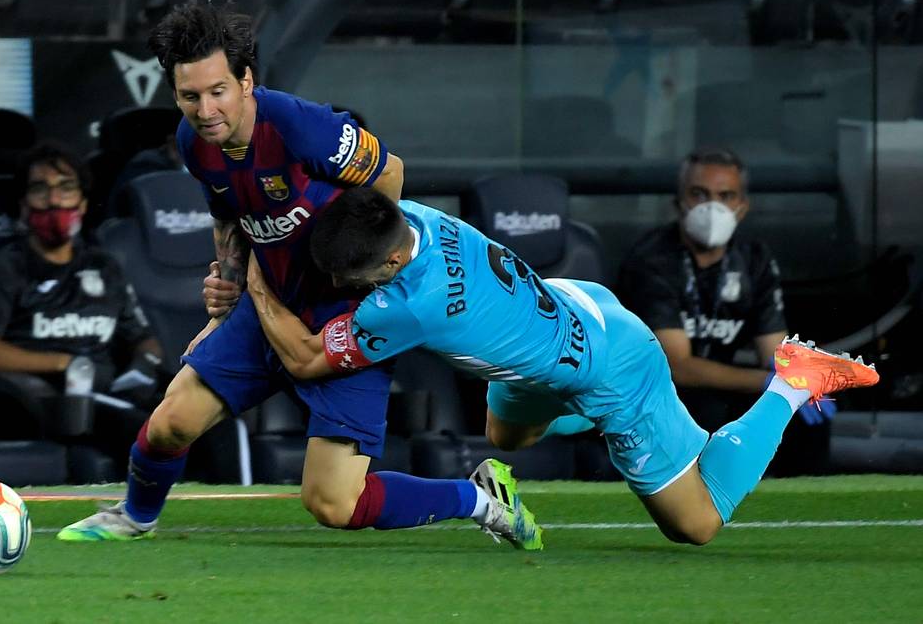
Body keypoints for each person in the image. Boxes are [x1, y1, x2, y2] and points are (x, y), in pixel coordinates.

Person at [58, 0, 542, 550]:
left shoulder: (298, 128)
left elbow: (390, 173)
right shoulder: (196, 144)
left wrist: (363, 271)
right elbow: (229, 211)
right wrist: (230, 279)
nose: (205, 108)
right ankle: (135, 517)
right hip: (267, 304)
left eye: (218, 91)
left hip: (343, 316)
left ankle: (479, 498)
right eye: (190, 96)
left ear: (245, 80)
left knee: (334, 504)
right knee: (170, 423)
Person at [243, 187, 879, 545]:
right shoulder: (410, 217)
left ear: (385, 268)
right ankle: (580, 423)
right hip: (558, 317)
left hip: (611, 365)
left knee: (696, 524)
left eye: (347, 276)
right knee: (506, 438)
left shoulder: (408, 307)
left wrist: (254, 279)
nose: (335, 283)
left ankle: (792, 383)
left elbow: (304, 359)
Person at [616, 146, 832, 473]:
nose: (712, 206)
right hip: (653, 396)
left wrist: (802, 382)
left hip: (724, 391)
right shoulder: (652, 260)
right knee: (711, 409)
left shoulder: (754, 259)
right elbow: (677, 366)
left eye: (726, 195)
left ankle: (795, 507)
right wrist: (769, 383)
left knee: (806, 414)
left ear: (742, 208)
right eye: (699, 194)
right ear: (679, 203)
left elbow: (777, 353)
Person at [0, 142, 166, 468]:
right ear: (24, 204)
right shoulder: (2, 270)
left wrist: (144, 362)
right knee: (151, 435)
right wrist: (65, 363)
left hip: (113, 395)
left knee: (203, 422)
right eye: (40, 190)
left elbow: (143, 337)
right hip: (47, 404)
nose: (54, 200)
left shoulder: (104, 266)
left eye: (66, 188)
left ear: (83, 204)